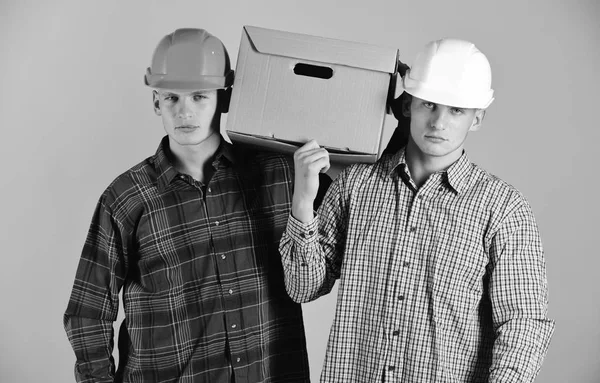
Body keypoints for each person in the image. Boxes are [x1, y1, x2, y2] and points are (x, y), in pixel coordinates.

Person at [280, 38, 555, 382]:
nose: (438, 122)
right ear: (409, 105)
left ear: (477, 119)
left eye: (456, 110)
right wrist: (304, 202)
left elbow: (522, 324)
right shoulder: (354, 185)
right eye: (429, 104)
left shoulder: (502, 209)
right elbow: (303, 288)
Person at [64, 28, 327, 382]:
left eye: (199, 96)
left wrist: (401, 107)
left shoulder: (281, 174)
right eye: (172, 98)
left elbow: (365, 190)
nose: (184, 112)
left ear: (224, 96)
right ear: (155, 101)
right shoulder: (127, 199)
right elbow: (88, 312)